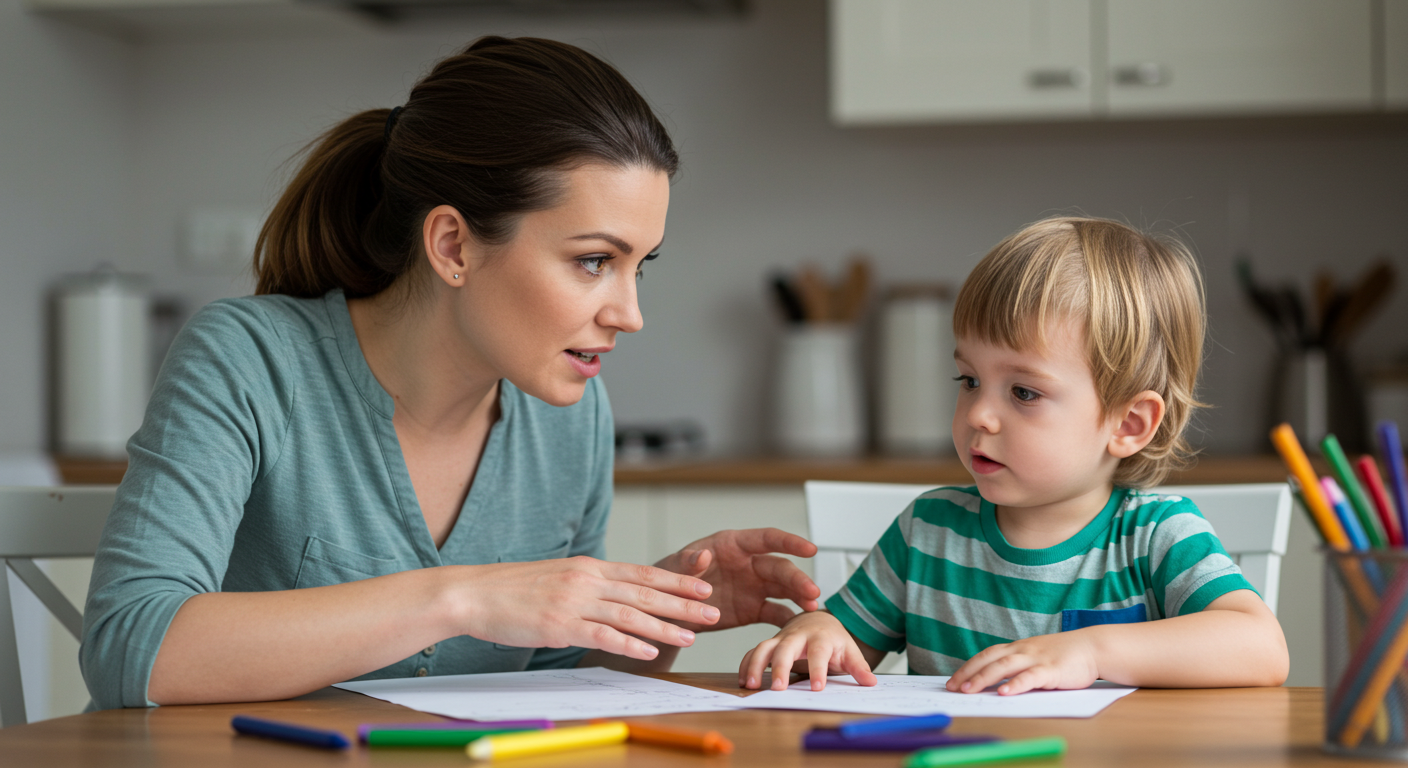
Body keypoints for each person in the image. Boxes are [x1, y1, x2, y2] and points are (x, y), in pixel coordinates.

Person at [80, 36, 820, 710]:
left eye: (638, 265)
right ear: (453, 246)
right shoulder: (250, 359)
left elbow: (543, 676)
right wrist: (461, 597)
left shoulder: (569, 414)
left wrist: (652, 608)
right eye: (594, 260)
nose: (629, 313)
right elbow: (131, 648)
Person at [739, 217, 1289, 695]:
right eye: (970, 379)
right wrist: (814, 634)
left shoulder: (1156, 536)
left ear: (1128, 424)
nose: (980, 413)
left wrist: (1091, 652)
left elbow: (1262, 647)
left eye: (1024, 392)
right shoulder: (926, 532)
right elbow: (840, 641)